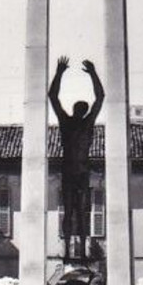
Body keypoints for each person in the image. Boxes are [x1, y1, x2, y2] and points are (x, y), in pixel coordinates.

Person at [48, 55, 104, 261]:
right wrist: (60, 73)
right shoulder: (72, 123)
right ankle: (70, 249)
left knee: (77, 211)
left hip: (77, 171)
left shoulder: (76, 123)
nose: (79, 110)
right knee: (74, 210)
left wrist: (91, 74)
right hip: (75, 170)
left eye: (80, 108)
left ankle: (77, 250)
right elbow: (53, 97)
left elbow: (100, 98)